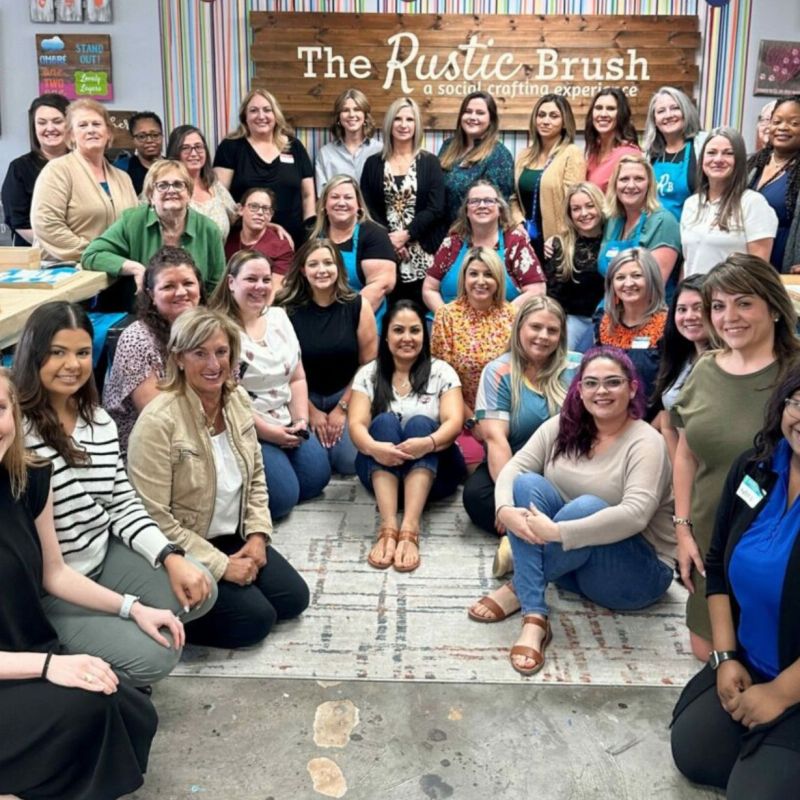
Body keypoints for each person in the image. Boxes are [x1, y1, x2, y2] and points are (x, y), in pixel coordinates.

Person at [13, 302, 213, 687]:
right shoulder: (17, 432)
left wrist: (169, 556)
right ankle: (67, 656)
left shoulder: (98, 420)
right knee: (155, 658)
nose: (72, 364)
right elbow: (51, 570)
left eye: (83, 352)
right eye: (57, 352)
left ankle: (109, 627)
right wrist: (130, 608)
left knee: (200, 586)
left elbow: (121, 502)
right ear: (33, 354)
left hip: (101, 557)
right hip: (51, 587)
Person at [0, 368, 162, 800]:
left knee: (134, 711)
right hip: (15, 665)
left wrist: (134, 608)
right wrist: (53, 668)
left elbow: (55, 573)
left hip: (26, 649)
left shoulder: (28, 478)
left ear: (13, 413)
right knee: (93, 709)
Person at [127, 308, 310, 650]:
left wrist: (257, 536)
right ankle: (154, 613)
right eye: (200, 353)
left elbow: (256, 477)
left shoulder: (237, 399)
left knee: (294, 599)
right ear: (179, 358)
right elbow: (152, 517)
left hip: (229, 533)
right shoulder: (158, 421)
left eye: (221, 352)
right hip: (182, 545)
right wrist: (221, 566)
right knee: (255, 621)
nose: (213, 364)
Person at [488, 347, 675, 675]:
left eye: (612, 382)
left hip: (635, 573)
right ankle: (536, 610)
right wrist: (504, 509)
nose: (601, 391)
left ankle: (523, 589)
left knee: (587, 507)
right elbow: (515, 466)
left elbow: (635, 514)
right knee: (528, 484)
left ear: (632, 388)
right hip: (573, 564)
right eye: (591, 383)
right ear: (579, 389)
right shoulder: (564, 425)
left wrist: (558, 533)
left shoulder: (646, 442)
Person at [671, 371, 800, 798]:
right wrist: (726, 657)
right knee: (697, 753)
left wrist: (782, 693)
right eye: (797, 400)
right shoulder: (756, 467)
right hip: (751, 660)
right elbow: (718, 566)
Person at [671, 254, 800, 660]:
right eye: (719, 305)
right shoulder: (706, 368)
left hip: (775, 548)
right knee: (705, 651)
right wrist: (682, 530)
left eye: (744, 302)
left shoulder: (794, 373)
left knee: (770, 657)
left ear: (774, 308)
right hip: (710, 541)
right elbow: (687, 454)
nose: (730, 317)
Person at [210, 250, 331, 520]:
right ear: (231, 282)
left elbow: (297, 377)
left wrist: (300, 420)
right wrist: (269, 433)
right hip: (247, 426)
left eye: (266, 280)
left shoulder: (279, 317)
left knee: (317, 479)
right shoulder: (219, 330)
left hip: (287, 418)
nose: (260, 287)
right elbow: (223, 399)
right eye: (251, 279)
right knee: (282, 501)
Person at [463, 297, 575, 586]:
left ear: (562, 334)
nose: (543, 336)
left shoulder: (578, 367)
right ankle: (549, 539)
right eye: (535, 327)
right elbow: (495, 440)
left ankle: (520, 543)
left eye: (552, 330)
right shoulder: (497, 371)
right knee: (477, 497)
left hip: (565, 469)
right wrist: (508, 503)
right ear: (519, 328)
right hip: (514, 466)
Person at [349, 300, 466, 573]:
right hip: (381, 473)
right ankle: (388, 525)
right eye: (398, 330)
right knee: (384, 422)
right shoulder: (369, 373)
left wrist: (428, 443)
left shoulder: (442, 372)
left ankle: (410, 527)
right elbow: (355, 426)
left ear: (424, 336)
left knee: (421, 423)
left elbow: (454, 422)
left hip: (435, 474)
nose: (407, 338)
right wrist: (376, 448)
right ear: (386, 335)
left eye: (415, 331)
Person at [275, 239, 378, 475]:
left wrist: (342, 408)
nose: (321, 270)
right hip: (301, 398)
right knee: (316, 467)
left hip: (347, 394)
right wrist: (310, 411)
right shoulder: (284, 309)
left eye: (328, 263)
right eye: (313, 264)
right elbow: (280, 370)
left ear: (338, 268)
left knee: (347, 463)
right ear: (302, 269)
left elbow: (369, 365)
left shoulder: (357, 305)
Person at [81, 158, 226, 311]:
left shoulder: (209, 229)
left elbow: (217, 287)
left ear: (189, 193)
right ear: (150, 196)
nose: (171, 190)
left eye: (178, 184)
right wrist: (135, 268)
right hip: (144, 314)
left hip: (193, 317)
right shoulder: (133, 221)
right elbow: (91, 255)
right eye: (162, 185)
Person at [103, 246, 206, 455]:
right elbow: (158, 419)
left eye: (188, 283)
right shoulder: (137, 340)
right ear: (151, 294)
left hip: (203, 434)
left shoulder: (210, 331)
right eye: (168, 286)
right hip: (149, 448)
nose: (181, 292)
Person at [431, 246, 517, 469]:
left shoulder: (512, 315)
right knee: (475, 463)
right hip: (462, 413)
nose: (481, 281)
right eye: (474, 274)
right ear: (464, 278)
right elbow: (443, 380)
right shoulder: (447, 316)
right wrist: (472, 422)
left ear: (498, 279)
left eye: (488, 274)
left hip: (505, 413)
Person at [360, 97, 446, 308]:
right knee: (387, 314)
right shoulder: (373, 164)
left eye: (410, 119)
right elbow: (367, 208)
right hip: (382, 253)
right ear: (389, 124)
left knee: (419, 315)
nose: (403, 125)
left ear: (416, 125)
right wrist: (389, 241)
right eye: (397, 119)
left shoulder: (430, 162)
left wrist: (406, 235)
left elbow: (436, 208)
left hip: (423, 252)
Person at [31, 98, 138, 264]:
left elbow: (134, 223)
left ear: (108, 132)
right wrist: (96, 254)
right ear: (71, 135)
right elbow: (47, 225)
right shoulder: (57, 171)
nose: (91, 130)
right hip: (68, 271)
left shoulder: (122, 177)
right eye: (82, 125)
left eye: (96, 124)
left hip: (115, 269)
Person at [423, 180, 546, 316]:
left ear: (500, 209)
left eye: (488, 201)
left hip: (503, 329)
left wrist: (502, 319)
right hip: (450, 328)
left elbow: (537, 290)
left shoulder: (515, 242)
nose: (482, 205)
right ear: (466, 211)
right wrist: (447, 318)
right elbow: (429, 289)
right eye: (475, 201)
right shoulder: (452, 243)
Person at [213, 88, 315, 248]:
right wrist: (265, 225)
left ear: (276, 115)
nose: (261, 116)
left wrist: (310, 235)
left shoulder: (294, 147)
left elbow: (308, 195)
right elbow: (220, 198)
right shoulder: (230, 147)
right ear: (244, 117)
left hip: (294, 240)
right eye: (254, 111)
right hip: (246, 241)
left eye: (267, 110)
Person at [681, 127, 778, 277]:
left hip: (730, 297)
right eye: (711, 153)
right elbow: (688, 263)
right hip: (695, 296)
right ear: (702, 160)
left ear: (738, 161)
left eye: (728, 153)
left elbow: (759, 271)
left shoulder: (753, 203)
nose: (718, 159)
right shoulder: (691, 204)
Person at [309, 175, 396, 331]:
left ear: (359, 205)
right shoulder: (312, 235)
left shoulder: (374, 234)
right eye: (335, 197)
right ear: (324, 205)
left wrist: (343, 320)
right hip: (317, 319)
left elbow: (381, 284)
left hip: (362, 320)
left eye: (348, 197)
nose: (341, 203)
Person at [510, 94, 586, 261]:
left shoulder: (571, 154)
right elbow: (513, 197)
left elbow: (574, 205)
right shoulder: (524, 155)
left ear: (565, 122)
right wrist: (518, 223)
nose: (545, 121)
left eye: (554, 116)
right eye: (541, 115)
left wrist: (558, 239)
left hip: (555, 244)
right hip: (526, 240)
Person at [595, 247, 667, 417]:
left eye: (636, 275)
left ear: (651, 280)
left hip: (653, 423)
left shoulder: (668, 326)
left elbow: (672, 388)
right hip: (609, 419)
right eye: (620, 277)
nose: (628, 283)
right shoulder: (604, 323)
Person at [598, 153, 682, 288]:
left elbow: (654, 286)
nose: (631, 185)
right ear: (615, 185)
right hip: (612, 305)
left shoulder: (663, 222)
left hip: (648, 307)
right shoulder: (613, 221)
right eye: (624, 179)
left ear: (649, 185)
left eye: (638, 179)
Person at [651, 275, 710, 463]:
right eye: (682, 309)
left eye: (698, 308)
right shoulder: (680, 355)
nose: (689, 316)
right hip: (679, 458)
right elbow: (668, 419)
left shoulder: (725, 363)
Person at [543, 182, 607, 351]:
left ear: (600, 206)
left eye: (590, 206)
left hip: (608, 319)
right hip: (572, 321)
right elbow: (553, 296)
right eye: (576, 209)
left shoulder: (614, 238)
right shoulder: (560, 245)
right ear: (570, 214)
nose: (584, 213)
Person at [1, 92, 69, 246]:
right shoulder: (19, 168)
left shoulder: (83, 164)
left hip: (86, 253)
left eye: (57, 121)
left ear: (69, 124)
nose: (50, 128)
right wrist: (64, 249)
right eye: (42, 122)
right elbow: (19, 222)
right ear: (34, 127)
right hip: (36, 257)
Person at [438, 91, 514, 225]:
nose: (472, 117)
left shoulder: (499, 156)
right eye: (468, 111)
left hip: (473, 237)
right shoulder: (447, 146)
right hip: (439, 236)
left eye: (480, 113)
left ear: (491, 119)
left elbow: (498, 208)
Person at [747, 95, 800, 272]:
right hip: (745, 267)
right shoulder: (753, 164)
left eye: (794, 123)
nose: (782, 128)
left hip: (784, 268)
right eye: (777, 121)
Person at [643, 86, 705, 221]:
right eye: (661, 111)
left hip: (689, 233)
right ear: (654, 120)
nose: (668, 115)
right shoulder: (649, 154)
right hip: (653, 234)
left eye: (675, 108)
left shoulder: (702, 147)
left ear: (686, 112)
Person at [166, 124, 237, 241]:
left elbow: (237, 217)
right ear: (175, 153)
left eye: (198, 147)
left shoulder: (214, 186)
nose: (194, 153)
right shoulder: (165, 188)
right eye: (185, 148)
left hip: (217, 258)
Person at [224, 187, 295, 292]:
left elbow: (274, 291)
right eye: (254, 206)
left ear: (270, 215)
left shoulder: (281, 246)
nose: (260, 212)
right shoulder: (228, 238)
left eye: (266, 209)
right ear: (240, 209)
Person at [315, 88, 382, 193]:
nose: (351, 115)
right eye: (345, 110)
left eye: (357, 109)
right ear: (338, 117)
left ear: (365, 116)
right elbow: (322, 196)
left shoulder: (380, 151)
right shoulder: (325, 154)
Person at [584, 88, 641, 193]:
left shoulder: (630, 154)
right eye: (598, 108)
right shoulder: (593, 151)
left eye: (611, 109)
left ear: (621, 114)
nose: (603, 114)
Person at [116, 111, 163, 195]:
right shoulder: (122, 168)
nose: (149, 140)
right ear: (132, 139)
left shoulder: (174, 167)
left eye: (155, 135)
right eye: (142, 136)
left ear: (162, 136)